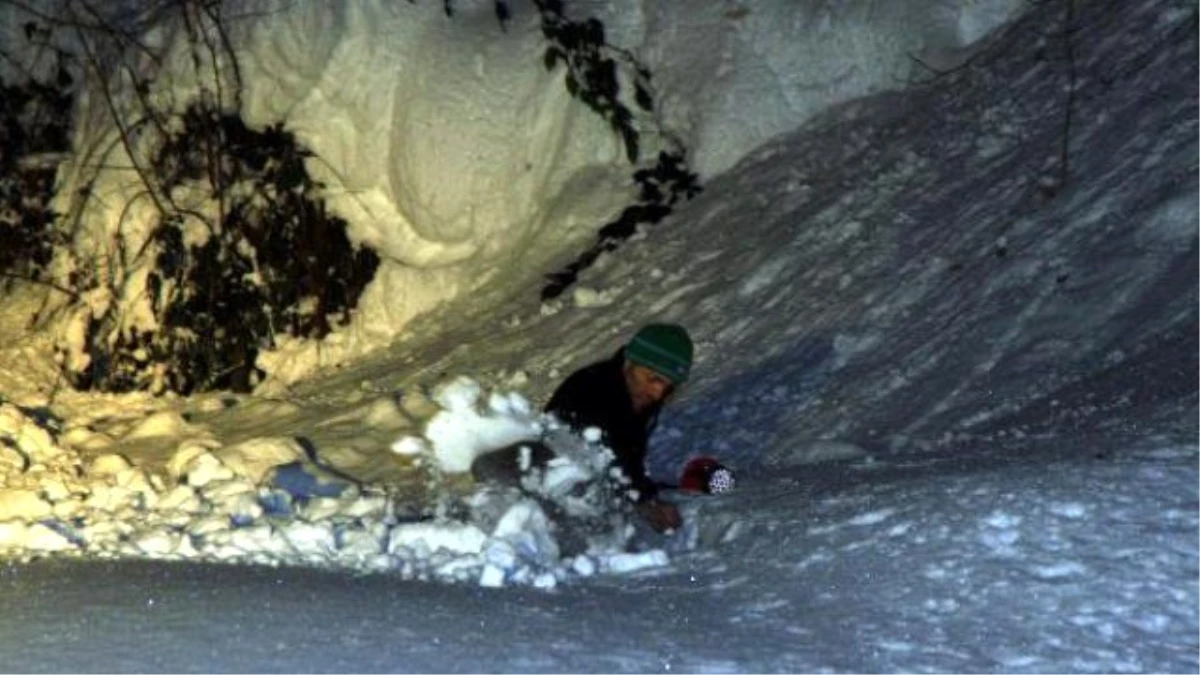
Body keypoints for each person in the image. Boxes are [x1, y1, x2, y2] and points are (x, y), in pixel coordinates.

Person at [542, 323, 693, 533]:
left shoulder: (634, 392)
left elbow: (628, 454)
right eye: (654, 379)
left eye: (667, 386)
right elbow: (606, 460)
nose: (658, 393)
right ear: (630, 363)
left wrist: (647, 493)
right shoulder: (590, 391)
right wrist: (646, 503)